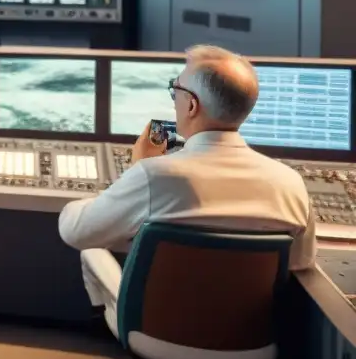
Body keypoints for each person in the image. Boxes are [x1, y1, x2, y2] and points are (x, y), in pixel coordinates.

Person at [58, 45, 316, 326]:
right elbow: (300, 265)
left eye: (175, 89)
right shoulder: (291, 183)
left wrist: (133, 172)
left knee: (92, 250)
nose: (174, 100)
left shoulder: (156, 176)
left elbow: (77, 232)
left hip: (158, 333)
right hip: (250, 343)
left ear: (192, 105)